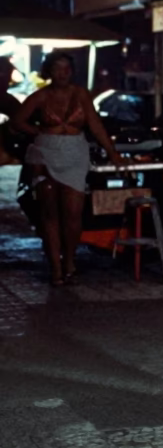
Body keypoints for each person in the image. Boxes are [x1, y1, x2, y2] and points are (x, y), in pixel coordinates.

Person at [11, 52, 125, 286]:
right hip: (45, 154)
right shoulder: (40, 96)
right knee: (50, 213)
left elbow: (94, 123)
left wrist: (113, 153)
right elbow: (17, 121)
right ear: (49, 71)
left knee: (73, 214)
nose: (62, 73)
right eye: (57, 68)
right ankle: (55, 267)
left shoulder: (81, 94)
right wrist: (38, 132)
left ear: (72, 71)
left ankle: (70, 259)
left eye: (67, 68)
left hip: (75, 153)